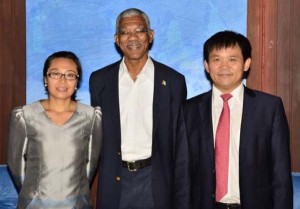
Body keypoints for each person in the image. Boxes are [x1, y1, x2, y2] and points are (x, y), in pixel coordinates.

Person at [174, 30, 293, 209]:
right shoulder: (188, 110)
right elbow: (182, 175)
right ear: (206, 65)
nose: (224, 67)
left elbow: (281, 174)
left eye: (232, 59)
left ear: (246, 64)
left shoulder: (269, 108)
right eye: (216, 59)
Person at [89, 8, 187, 209]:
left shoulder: (173, 81)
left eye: (139, 30)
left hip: (156, 180)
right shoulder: (100, 80)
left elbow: (179, 143)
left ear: (150, 36)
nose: (132, 37)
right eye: (125, 32)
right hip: (115, 180)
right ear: (117, 39)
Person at [7, 51, 102, 209]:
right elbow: (16, 167)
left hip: (77, 204)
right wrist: (33, 194)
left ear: (77, 81)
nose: (62, 80)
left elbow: (90, 167)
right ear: (45, 79)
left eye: (70, 75)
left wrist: (75, 193)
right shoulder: (24, 116)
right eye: (55, 74)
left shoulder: (90, 117)